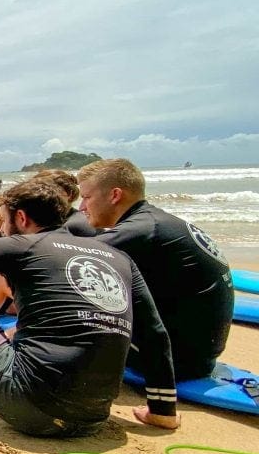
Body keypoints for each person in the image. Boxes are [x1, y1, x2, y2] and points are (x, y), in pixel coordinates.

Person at [0, 178, 179, 436]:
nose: (2, 230)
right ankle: (163, 414)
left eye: (4, 222)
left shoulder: (24, 245)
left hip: (26, 406)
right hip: (93, 416)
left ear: (21, 218)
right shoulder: (118, 257)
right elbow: (154, 332)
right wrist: (162, 412)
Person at [77, 158, 234, 381]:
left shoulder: (140, 231)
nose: (82, 207)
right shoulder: (154, 222)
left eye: (86, 197)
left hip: (176, 362)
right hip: (199, 355)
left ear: (115, 195)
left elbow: (66, 260)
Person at [31, 169, 96, 237]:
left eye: (50, 192)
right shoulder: (58, 221)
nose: (41, 195)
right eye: (36, 191)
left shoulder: (73, 226)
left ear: (69, 194)